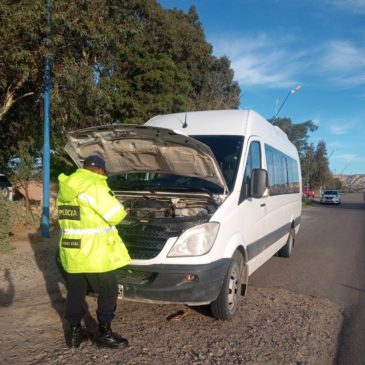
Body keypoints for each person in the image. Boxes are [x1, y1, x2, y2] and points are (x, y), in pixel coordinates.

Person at [57, 155, 131, 349]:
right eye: (103, 171)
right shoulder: (95, 185)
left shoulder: (65, 189)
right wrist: (125, 210)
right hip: (95, 253)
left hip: (71, 249)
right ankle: (104, 333)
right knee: (108, 290)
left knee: (76, 291)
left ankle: (75, 333)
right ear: (99, 169)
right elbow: (114, 215)